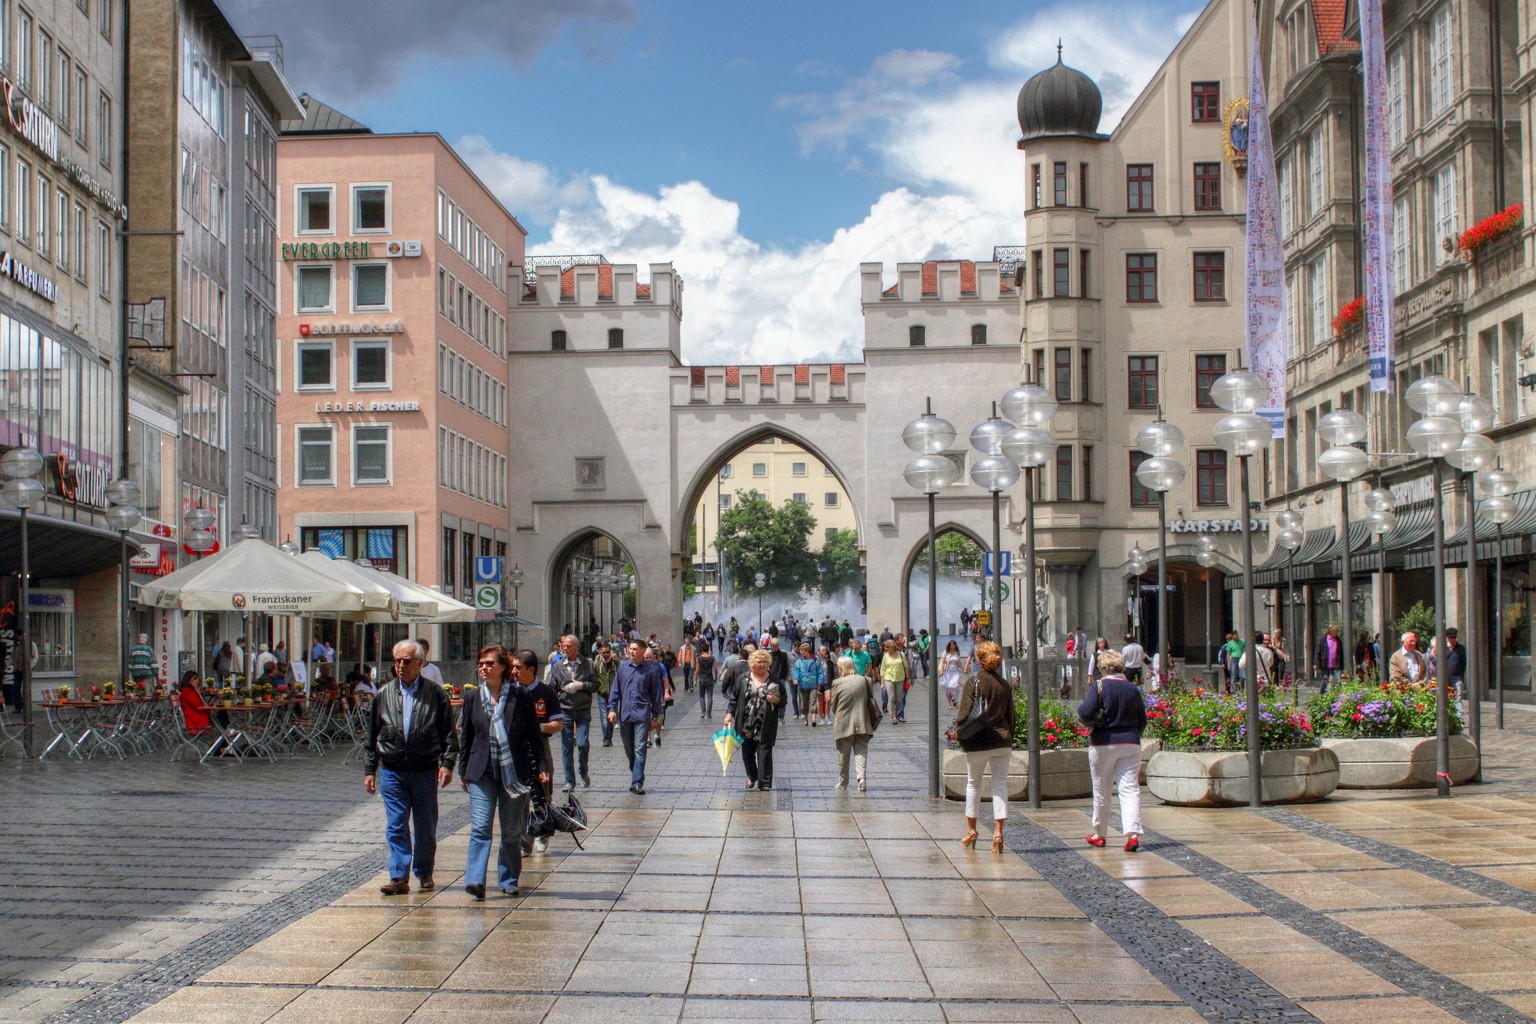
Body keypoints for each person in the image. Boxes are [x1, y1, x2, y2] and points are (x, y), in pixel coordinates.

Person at [365, 639, 458, 896]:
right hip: (393, 769)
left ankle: (424, 871)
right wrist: (370, 770)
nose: (401, 666)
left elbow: (449, 734)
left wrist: (447, 764)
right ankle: (398, 876)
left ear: (419, 663)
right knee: (396, 824)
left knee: (425, 825)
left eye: (407, 661)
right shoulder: (383, 694)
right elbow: (372, 735)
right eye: (397, 661)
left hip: (424, 768)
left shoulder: (435, 694)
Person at [459, 644, 548, 898]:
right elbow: (466, 737)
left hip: (513, 774)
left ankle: (508, 879)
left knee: (510, 831)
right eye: (481, 664)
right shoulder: (473, 697)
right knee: (480, 828)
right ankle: (475, 880)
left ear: (503, 667)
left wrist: (541, 767)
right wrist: (463, 770)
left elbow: (533, 735)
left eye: (490, 664)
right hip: (481, 772)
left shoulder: (519, 696)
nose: (484, 668)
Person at [1078, 650, 1148, 852]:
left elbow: (1084, 711)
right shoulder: (1132, 688)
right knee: (1129, 788)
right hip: (1130, 743)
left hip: (1103, 742)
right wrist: (1132, 734)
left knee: (1102, 788)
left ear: (1103, 668)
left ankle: (1100, 834)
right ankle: (1132, 834)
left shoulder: (1100, 686)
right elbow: (1142, 720)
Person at [955, 641, 1014, 854]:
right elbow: (1011, 716)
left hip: (977, 741)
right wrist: (1009, 736)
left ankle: (972, 831)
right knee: (1000, 785)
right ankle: (998, 833)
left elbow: (964, 713)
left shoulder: (973, 682)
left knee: (973, 785)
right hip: (1001, 740)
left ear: (979, 661)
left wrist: (960, 731)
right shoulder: (1004, 685)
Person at [607, 640, 667, 794]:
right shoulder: (623, 667)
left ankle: (637, 782)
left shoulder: (651, 670)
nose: (631, 651)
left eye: (634, 649)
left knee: (640, 748)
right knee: (629, 749)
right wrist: (612, 709)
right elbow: (615, 690)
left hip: (642, 714)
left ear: (642, 651)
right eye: (630, 649)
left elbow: (655, 694)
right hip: (625, 714)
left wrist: (655, 716)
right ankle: (637, 772)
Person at [723, 648, 785, 790]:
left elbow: (783, 700)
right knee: (747, 752)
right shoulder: (743, 679)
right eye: (759, 662)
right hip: (746, 722)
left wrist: (776, 700)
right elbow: (734, 698)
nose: (762, 664)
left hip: (766, 723)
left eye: (765, 662)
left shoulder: (774, 680)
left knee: (765, 752)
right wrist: (729, 714)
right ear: (752, 663)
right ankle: (752, 776)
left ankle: (765, 783)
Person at [550, 635, 599, 792]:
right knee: (567, 746)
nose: (565, 648)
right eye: (564, 646)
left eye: (569, 646)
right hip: (565, 710)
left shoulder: (587, 664)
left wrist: (581, 685)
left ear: (577, 647)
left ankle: (583, 771)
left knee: (582, 743)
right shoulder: (558, 666)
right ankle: (569, 781)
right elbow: (552, 688)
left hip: (583, 709)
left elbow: (596, 685)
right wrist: (560, 694)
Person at [829, 655, 877, 791]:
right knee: (861, 751)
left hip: (844, 724)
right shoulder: (866, 680)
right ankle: (861, 779)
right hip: (863, 722)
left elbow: (834, 705)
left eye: (839, 668)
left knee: (843, 755)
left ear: (842, 668)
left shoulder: (837, 683)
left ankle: (843, 782)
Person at [792, 643, 823, 727]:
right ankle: (805, 719)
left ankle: (813, 719)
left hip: (813, 684)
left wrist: (819, 683)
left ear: (807, 651)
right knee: (804, 702)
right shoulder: (799, 661)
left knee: (813, 700)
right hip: (803, 684)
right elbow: (796, 670)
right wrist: (795, 679)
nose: (801, 653)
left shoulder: (816, 660)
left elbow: (820, 672)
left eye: (802, 651)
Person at [594, 642, 618, 746]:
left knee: (611, 717)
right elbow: (594, 678)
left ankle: (608, 736)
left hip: (614, 695)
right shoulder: (596, 665)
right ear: (600, 651)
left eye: (608, 652)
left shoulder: (616, 664)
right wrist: (597, 687)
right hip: (602, 694)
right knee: (604, 717)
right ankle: (607, 739)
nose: (606, 654)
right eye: (604, 652)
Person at [879, 639, 909, 723]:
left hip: (900, 678)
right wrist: (882, 683)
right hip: (888, 678)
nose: (886, 648)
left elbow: (906, 667)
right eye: (885, 647)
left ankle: (895, 712)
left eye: (887, 647)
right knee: (891, 698)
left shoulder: (901, 654)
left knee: (899, 699)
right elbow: (882, 669)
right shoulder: (885, 656)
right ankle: (893, 716)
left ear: (892, 647)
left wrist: (908, 679)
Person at [1314, 625, 1343, 693]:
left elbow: (1341, 653)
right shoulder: (1323, 639)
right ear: (1331, 631)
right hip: (1325, 664)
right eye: (1336, 631)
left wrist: (1341, 664)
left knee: (1337, 682)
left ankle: (1337, 696)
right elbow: (1317, 652)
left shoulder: (1338, 640)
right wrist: (1316, 663)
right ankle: (1322, 696)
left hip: (1336, 664)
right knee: (1324, 681)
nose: (1337, 632)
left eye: (1337, 631)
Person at [937, 640, 963, 708]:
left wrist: (963, 668)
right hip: (947, 671)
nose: (953, 646)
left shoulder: (957, 652)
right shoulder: (946, 652)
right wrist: (942, 671)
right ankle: (949, 703)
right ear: (949, 645)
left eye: (954, 645)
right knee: (948, 688)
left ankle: (954, 699)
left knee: (956, 686)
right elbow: (942, 662)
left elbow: (959, 662)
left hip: (955, 671)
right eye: (952, 645)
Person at [1442, 628, 1466, 701]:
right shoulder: (1443, 648)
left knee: (1458, 697)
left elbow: (1463, 663)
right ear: (1447, 637)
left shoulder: (1461, 648)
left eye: (1454, 637)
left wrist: (1461, 677)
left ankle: (1458, 709)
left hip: (1456, 677)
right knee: (1446, 698)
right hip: (1445, 677)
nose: (1453, 639)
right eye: (1450, 637)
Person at [697, 640, 718, 719]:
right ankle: (709, 714)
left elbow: (697, 670)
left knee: (702, 696)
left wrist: (695, 680)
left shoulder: (699, 658)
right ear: (708, 649)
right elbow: (716, 669)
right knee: (710, 696)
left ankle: (703, 712)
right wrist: (716, 677)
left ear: (702, 649)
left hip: (702, 678)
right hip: (710, 678)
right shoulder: (712, 658)